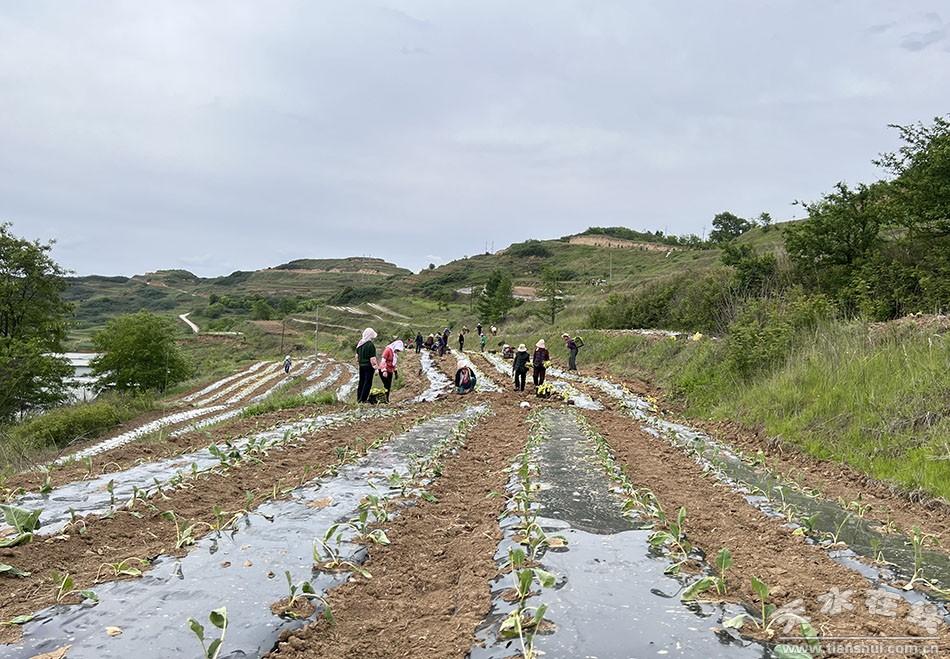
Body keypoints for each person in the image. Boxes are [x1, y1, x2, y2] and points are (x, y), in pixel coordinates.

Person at [355, 328, 379, 403]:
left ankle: (359, 399)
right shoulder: (370, 345)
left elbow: (356, 357)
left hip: (361, 366)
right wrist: (376, 368)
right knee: (367, 383)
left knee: (361, 382)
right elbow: (372, 359)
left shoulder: (360, 344)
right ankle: (363, 399)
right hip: (368, 366)